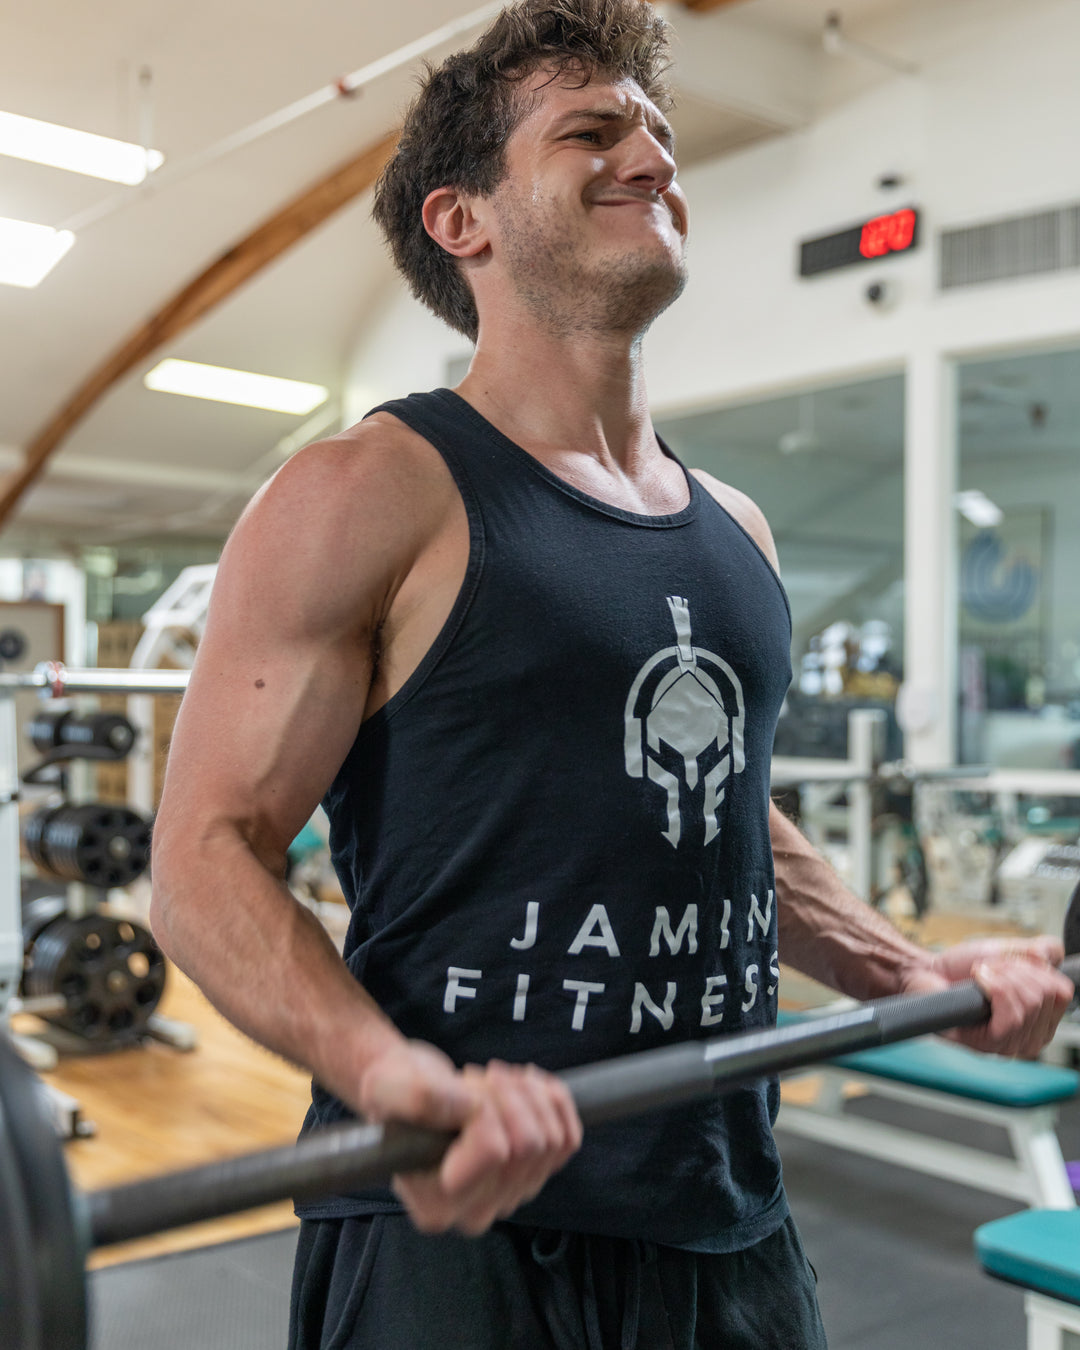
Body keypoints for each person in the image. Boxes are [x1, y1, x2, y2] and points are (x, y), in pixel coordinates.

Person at [149, 2, 1074, 1346]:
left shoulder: (735, 529)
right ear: (461, 220)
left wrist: (903, 967)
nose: (651, 158)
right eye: (591, 131)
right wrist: (385, 1071)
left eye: (657, 132)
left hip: (727, 1219)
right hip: (458, 1229)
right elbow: (203, 854)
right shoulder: (369, 491)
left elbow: (729, 816)